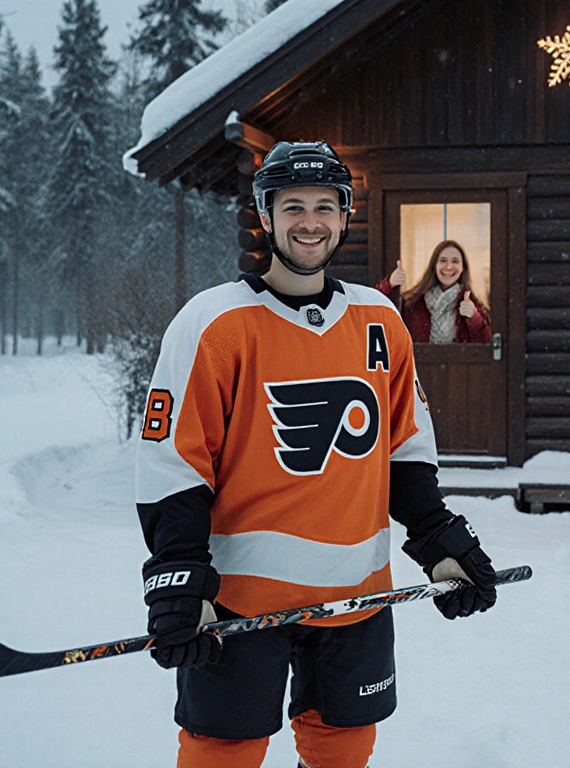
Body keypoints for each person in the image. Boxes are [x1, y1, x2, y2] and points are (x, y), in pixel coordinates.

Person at [134, 141, 499, 768]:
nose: (310, 221)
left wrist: (439, 538)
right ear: (266, 216)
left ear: (344, 216)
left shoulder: (379, 319)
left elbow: (404, 447)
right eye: (293, 205)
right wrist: (180, 573)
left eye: (325, 206)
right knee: (221, 753)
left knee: (344, 749)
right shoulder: (214, 321)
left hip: (357, 595)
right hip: (241, 602)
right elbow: (175, 462)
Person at [377, 239, 492, 343]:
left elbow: (486, 342)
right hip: (419, 365)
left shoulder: (470, 304)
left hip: (458, 366)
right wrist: (389, 284)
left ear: (463, 268)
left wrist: (473, 317)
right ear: (434, 266)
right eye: (443, 260)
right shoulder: (413, 303)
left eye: (455, 261)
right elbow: (377, 310)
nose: (448, 267)